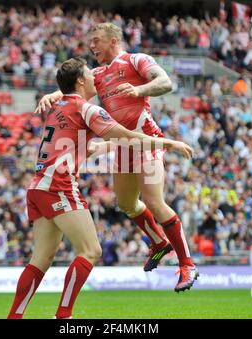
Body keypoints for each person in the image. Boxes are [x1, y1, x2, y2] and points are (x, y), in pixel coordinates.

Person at [7, 57, 193, 319]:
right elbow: (126, 136)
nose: (96, 78)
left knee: (40, 260)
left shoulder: (59, 106)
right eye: (89, 74)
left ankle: (14, 317)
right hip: (59, 187)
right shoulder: (87, 109)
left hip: (38, 188)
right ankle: (63, 317)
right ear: (81, 80)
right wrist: (168, 143)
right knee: (91, 251)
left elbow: (93, 145)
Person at [36, 23, 199, 292]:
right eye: (91, 41)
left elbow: (165, 82)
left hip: (146, 140)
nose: (92, 46)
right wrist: (53, 94)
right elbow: (75, 92)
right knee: (126, 203)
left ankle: (187, 265)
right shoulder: (98, 74)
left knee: (154, 202)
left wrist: (139, 90)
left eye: (96, 40)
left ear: (113, 41)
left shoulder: (136, 60)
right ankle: (158, 243)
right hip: (123, 145)